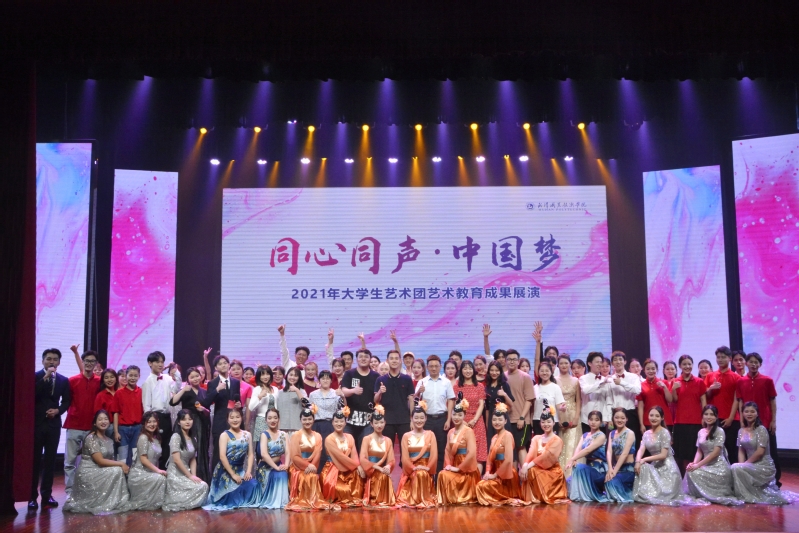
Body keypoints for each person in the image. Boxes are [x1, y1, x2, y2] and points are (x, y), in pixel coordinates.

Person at [633, 406, 704, 506]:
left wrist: (644, 459)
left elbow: (663, 455)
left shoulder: (664, 432)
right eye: (651, 415)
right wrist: (637, 461)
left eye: (657, 416)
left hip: (667, 469)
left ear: (662, 418)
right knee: (642, 466)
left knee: (644, 465)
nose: (654, 418)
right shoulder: (646, 434)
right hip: (655, 466)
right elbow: (641, 449)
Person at [63, 410, 130, 514]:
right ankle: (107, 502)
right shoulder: (91, 438)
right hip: (89, 471)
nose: (103, 421)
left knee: (118, 470)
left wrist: (121, 466)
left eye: (106, 419)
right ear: (95, 423)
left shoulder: (109, 440)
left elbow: (110, 460)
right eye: (100, 419)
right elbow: (100, 461)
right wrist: (121, 464)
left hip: (100, 469)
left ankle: (114, 501)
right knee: (117, 470)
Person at [731, 402, 799, 504]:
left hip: (763, 465)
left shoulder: (761, 429)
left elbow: (760, 452)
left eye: (752, 411)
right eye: (746, 411)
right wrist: (741, 465)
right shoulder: (741, 430)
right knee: (735, 467)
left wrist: (744, 465)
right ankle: (744, 494)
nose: (749, 414)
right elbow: (741, 450)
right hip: (750, 464)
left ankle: (748, 495)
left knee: (736, 467)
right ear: (743, 413)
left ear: (757, 414)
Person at [31, 348, 72, 510]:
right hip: (36, 424)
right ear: (42, 361)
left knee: (50, 462)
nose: (52, 362)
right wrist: (45, 378)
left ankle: (47, 495)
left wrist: (57, 411)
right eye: (48, 359)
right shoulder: (35, 377)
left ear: (59, 362)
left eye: (55, 359)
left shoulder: (63, 380)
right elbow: (31, 395)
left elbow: (66, 401)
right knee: (34, 461)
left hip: (53, 424)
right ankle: (31, 497)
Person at [734, 352, 781, 485]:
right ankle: (749, 481)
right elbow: (740, 401)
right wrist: (742, 420)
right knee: (747, 450)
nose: (753, 364)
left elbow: (772, 401)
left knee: (770, 452)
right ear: (746, 363)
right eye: (751, 362)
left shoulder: (767, 380)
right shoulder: (741, 381)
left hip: (765, 422)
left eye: (756, 362)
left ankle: (775, 482)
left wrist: (773, 420)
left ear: (760, 364)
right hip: (748, 423)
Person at [684, 405, 743, 505]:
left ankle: (711, 494)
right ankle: (701, 494)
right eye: (706, 414)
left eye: (712, 414)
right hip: (705, 465)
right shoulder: (701, 432)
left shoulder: (719, 431)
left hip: (719, 467)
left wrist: (698, 465)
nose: (709, 417)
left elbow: (715, 453)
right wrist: (694, 463)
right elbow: (699, 451)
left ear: (716, 417)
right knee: (690, 471)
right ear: (702, 416)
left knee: (695, 470)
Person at [203, 408, 258, 510]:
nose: (235, 420)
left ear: (241, 418)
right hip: (225, 471)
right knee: (231, 495)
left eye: (237, 417)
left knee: (254, 485)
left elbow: (250, 454)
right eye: (232, 417)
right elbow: (222, 456)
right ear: (227, 420)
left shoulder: (247, 435)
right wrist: (233, 475)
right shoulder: (224, 435)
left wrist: (248, 471)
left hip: (240, 470)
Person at [63, 347, 101, 494]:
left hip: (91, 427)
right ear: (83, 361)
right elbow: (66, 401)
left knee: (90, 462)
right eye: (87, 361)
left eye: (92, 361)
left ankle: (88, 492)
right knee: (70, 461)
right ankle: (70, 492)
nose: (89, 363)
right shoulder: (72, 381)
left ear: (96, 364)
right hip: (74, 425)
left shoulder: (99, 381)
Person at [520, 400, 569, 505]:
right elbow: (530, 453)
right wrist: (524, 465)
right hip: (537, 468)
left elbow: (546, 457)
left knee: (531, 470)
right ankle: (533, 496)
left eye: (548, 422)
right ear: (540, 423)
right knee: (530, 470)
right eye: (543, 422)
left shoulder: (557, 440)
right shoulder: (536, 438)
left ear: (553, 423)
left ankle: (538, 496)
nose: (546, 424)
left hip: (552, 471)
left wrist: (528, 466)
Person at [437, 392, 481, 505]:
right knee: (442, 474)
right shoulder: (451, 432)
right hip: (454, 465)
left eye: (460, 415)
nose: (456, 417)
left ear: (464, 416)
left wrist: (458, 468)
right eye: (454, 415)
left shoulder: (468, 431)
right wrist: (448, 466)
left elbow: (471, 453)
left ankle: (457, 497)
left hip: (467, 470)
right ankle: (450, 497)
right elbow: (447, 451)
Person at [476, 401, 523, 506]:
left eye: (500, 420)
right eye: (494, 420)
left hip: (506, 474)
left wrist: (494, 475)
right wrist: (487, 472)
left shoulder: (508, 435)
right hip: (495, 472)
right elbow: (489, 459)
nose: (497, 422)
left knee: (481, 487)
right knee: (480, 485)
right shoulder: (494, 438)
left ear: (505, 421)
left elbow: (508, 460)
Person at [286, 399, 330, 511]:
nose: (307, 421)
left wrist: (312, 466)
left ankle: (312, 500)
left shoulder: (318, 436)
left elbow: (318, 454)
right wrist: (307, 465)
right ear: (300, 420)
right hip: (297, 467)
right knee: (308, 477)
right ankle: (304, 501)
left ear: (313, 420)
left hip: (312, 466)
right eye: (304, 419)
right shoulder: (296, 435)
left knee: (312, 476)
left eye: (309, 419)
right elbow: (295, 457)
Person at [169, 366, 211, 482]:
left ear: (201, 377)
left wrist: (204, 410)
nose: (195, 378)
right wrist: (183, 390)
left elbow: (208, 411)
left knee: (200, 451)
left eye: (197, 376)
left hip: (201, 424)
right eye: (192, 377)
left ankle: (200, 478)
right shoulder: (186, 390)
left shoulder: (204, 392)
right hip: (187, 424)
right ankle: (186, 476)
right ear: (187, 379)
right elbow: (172, 402)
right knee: (187, 450)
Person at [201, 355, 243, 471]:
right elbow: (206, 403)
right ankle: (216, 479)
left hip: (234, 421)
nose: (223, 365)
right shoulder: (213, 383)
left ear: (229, 365)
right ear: (216, 367)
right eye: (220, 364)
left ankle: (234, 476)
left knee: (235, 451)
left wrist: (239, 404)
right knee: (218, 452)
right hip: (220, 422)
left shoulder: (235, 382)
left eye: (225, 363)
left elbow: (237, 399)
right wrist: (217, 389)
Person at [415, 354, 455, 472]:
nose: (433, 368)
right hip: (426, 420)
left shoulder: (446, 382)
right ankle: (426, 476)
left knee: (441, 449)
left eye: (436, 366)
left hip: (442, 419)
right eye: (431, 366)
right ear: (427, 367)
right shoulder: (422, 382)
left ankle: (438, 476)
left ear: (440, 366)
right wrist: (418, 392)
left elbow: (451, 400)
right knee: (426, 448)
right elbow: (415, 399)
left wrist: (448, 419)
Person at [162, 409, 209, 511]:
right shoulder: (176, 437)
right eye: (184, 419)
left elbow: (193, 459)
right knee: (200, 487)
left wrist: (194, 476)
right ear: (179, 422)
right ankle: (178, 501)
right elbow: (176, 460)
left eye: (190, 419)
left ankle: (190, 502)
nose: (187, 422)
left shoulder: (193, 438)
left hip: (186, 473)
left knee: (203, 486)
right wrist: (190, 476)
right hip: (175, 474)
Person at [321, 400, 365, 508]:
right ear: (332, 423)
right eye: (336, 421)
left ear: (345, 422)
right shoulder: (329, 439)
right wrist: (357, 466)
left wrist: (358, 465)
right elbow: (341, 458)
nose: (339, 424)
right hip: (333, 469)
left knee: (359, 483)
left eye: (341, 421)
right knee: (344, 490)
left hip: (348, 469)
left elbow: (354, 455)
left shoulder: (349, 437)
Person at [395, 400, 438, 509]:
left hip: (426, 470)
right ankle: (417, 499)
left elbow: (434, 456)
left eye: (422, 418)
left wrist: (427, 468)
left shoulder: (430, 435)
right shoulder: (406, 436)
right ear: (411, 418)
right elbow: (405, 459)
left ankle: (424, 499)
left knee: (422, 473)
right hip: (411, 471)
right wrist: (414, 468)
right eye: (416, 418)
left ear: (426, 418)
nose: (419, 420)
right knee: (419, 474)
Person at [141, 351, 179, 470]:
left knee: (167, 446)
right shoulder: (148, 381)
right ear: (150, 363)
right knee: (156, 447)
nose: (160, 364)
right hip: (155, 417)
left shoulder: (167, 378)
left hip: (167, 416)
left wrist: (176, 373)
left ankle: (165, 472)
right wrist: (149, 421)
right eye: (157, 362)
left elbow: (176, 388)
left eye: (162, 362)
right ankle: (155, 472)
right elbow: (146, 404)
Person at [671, 355, 707, 476]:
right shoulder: (676, 381)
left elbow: (703, 400)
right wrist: (673, 389)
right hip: (680, 422)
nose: (687, 366)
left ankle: (694, 477)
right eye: (684, 364)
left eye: (689, 364)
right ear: (680, 366)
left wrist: (704, 417)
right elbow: (674, 400)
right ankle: (683, 479)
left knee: (694, 452)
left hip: (696, 422)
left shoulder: (699, 381)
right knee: (681, 454)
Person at [373, 349, 415, 452]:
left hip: (404, 420)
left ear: (400, 361)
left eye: (396, 358)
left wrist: (412, 419)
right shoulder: (380, 379)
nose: (394, 360)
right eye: (391, 358)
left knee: (406, 450)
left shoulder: (407, 379)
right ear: (387, 361)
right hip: (387, 420)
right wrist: (380, 392)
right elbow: (375, 401)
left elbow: (411, 400)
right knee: (387, 450)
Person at [705, 346, 741, 463]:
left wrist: (731, 418)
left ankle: (733, 474)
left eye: (723, 357)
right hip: (713, 419)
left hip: (731, 419)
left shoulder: (736, 377)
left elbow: (737, 399)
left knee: (732, 451)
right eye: (718, 357)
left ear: (730, 358)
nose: (720, 359)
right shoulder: (710, 376)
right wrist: (711, 388)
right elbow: (706, 396)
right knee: (712, 450)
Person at [340, 348, 379, 451]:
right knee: (348, 449)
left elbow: (377, 398)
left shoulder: (376, 376)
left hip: (368, 421)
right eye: (360, 356)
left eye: (366, 357)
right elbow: (343, 391)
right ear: (356, 359)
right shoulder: (349, 374)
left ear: (370, 359)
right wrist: (353, 391)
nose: (363, 359)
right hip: (350, 420)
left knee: (365, 450)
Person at [127, 411, 167, 510]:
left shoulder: (157, 439)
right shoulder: (143, 438)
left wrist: (158, 471)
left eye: (154, 421)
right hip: (140, 473)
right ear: (144, 424)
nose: (152, 424)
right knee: (160, 478)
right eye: (149, 422)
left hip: (151, 471)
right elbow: (143, 460)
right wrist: (158, 471)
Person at [567, 410, 609, 502]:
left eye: (596, 420)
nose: (593, 422)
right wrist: (574, 460)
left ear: (600, 422)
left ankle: (581, 495)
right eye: (591, 419)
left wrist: (573, 459)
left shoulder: (601, 436)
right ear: (588, 421)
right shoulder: (585, 435)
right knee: (568, 481)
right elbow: (578, 448)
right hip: (589, 467)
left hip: (599, 469)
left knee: (579, 468)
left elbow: (588, 450)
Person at [252, 408, 290, 509]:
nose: (272, 420)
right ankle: (272, 500)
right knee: (279, 474)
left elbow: (287, 451)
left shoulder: (284, 434)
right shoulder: (264, 434)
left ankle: (281, 502)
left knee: (283, 474)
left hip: (278, 465)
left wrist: (286, 465)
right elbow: (264, 454)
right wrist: (276, 468)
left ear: (278, 419)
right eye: (269, 418)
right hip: (265, 468)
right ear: (266, 420)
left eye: (275, 418)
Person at [453, 360, 487, 471]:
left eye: (470, 368)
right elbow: (455, 405)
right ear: (461, 371)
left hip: (477, 421)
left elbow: (481, 404)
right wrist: (462, 421)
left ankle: (477, 478)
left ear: (473, 370)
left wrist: (475, 420)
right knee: (463, 449)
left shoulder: (479, 386)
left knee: (479, 452)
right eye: (465, 368)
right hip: (462, 421)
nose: (468, 371)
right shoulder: (457, 386)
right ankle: (464, 478)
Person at [360, 404, 396, 508]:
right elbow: (363, 459)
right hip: (370, 472)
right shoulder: (367, 439)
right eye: (376, 423)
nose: (379, 425)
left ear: (385, 423)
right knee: (380, 476)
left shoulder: (388, 440)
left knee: (384, 476)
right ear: (371, 424)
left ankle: (383, 499)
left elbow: (392, 460)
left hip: (382, 471)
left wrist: (388, 466)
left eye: (381, 422)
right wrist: (376, 467)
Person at [504, 348, 535, 466]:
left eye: (514, 359)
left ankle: (526, 473)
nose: (512, 361)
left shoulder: (525, 377)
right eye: (509, 359)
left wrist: (522, 417)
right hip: (506, 419)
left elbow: (529, 400)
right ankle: (514, 475)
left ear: (518, 361)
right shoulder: (503, 376)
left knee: (521, 447)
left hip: (521, 420)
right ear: (506, 361)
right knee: (510, 449)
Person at [607, 351, 642, 444]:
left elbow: (637, 390)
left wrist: (621, 382)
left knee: (632, 442)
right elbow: (609, 400)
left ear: (625, 362)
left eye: (620, 359)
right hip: (615, 414)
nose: (618, 362)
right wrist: (609, 417)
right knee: (616, 442)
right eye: (615, 360)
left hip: (630, 413)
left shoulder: (633, 377)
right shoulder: (609, 379)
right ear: (612, 363)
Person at [555, 354, 581, 478]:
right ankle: (561, 476)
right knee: (561, 446)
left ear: (570, 364)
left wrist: (576, 417)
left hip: (573, 413)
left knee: (573, 445)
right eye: (561, 363)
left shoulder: (576, 380)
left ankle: (572, 476)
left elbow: (578, 400)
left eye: (566, 363)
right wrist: (557, 418)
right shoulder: (554, 380)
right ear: (557, 365)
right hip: (560, 413)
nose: (564, 365)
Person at [111, 365, 142, 466]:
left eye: (135, 375)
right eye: (130, 375)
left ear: (139, 376)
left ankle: (132, 475)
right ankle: (122, 475)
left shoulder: (141, 392)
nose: (133, 378)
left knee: (134, 456)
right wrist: (116, 431)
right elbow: (115, 413)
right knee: (122, 456)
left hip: (137, 428)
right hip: (123, 429)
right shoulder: (119, 393)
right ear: (126, 376)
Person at [604, 408, 636, 502]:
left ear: (626, 419)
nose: (619, 420)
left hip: (628, 469)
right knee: (607, 481)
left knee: (612, 481)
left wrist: (614, 472)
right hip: (616, 467)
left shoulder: (630, 433)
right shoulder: (612, 433)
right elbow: (609, 451)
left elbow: (624, 454)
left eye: (622, 418)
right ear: (613, 419)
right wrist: (610, 468)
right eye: (617, 417)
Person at [308, 369, 338, 461]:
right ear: (319, 380)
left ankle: (330, 469)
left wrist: (343, 396)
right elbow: (310, 411)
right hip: (317, 425)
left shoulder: (336, 393)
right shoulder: (313, 394)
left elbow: (340, 410)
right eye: (323, 378)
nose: (325, 381)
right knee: (317, 450)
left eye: (327, 378)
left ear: (331, 380)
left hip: (330, 425)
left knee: (329, 450)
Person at [484, 361, 514, 448]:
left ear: (500, 371)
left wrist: (504, 394)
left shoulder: (504, 385)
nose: (494, 373)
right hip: (491, 418)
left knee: (504, 444)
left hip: (502, 417)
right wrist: (487, 423)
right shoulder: (487, 386)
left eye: (497, 370)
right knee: (492, 444)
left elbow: (511, 404)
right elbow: (487, 407)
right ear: (489, 371)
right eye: (492, 370)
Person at [637, 360, 674, 433]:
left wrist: (664, 387)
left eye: (653, 368)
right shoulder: (641, 385)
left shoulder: (664, 382)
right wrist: (641, 424)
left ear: (657, 369)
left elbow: (670, 400)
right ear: (644, 370)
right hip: (648, 421)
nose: (651, 371)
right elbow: (640, 407)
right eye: (648, 369)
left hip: (665, 420)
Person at [531, 362, 565, 436]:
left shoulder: (555, 387)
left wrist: (562, 408)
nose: (544, 373)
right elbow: (532, 407)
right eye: (542, 371)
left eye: (547, 371)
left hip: (551, 421)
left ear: (551, 372)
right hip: (538, 420)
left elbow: (559, 405)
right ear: (538, 372)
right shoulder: (534, 388)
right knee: (538, 442)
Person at [579, 352, 609, 435]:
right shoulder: (583, 378)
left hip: (601, 420)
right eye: (597, 362)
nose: (599, 364)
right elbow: (585, 390)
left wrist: (606, 417)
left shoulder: (605, 379)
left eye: (600, 362)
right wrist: (600, 383)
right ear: (589, 363)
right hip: (586, 419)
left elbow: (607, 401)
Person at [249, 365, 278, 444]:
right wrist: (260, 396)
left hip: (274, 420)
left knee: (273, 445)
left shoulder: (275, 389)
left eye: (267, 374)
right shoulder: (257, 389)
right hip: (262, 420)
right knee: (261, 446)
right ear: (259, 376)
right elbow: (251, 407)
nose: (265, 377)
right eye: (262, 374)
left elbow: (277, 407)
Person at [277, 367, 307, 436]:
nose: (292, 377)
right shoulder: (280, 392)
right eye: (291, 375)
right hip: (283, 428)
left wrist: (297, 390)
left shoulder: (301, 391)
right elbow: (278, 410)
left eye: (295, 375)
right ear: (287, 376)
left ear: (299, 378)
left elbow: (306, 405)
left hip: (297, 428)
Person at [229, 360, 254, 426]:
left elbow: (248, 406)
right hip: (227, 416)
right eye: (233, 369)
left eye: (238, 369)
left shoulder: (248, 387)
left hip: (240, 416)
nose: (236, 371)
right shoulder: (225, 384)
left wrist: (247, 423)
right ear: (230, 371)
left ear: (242, 371)